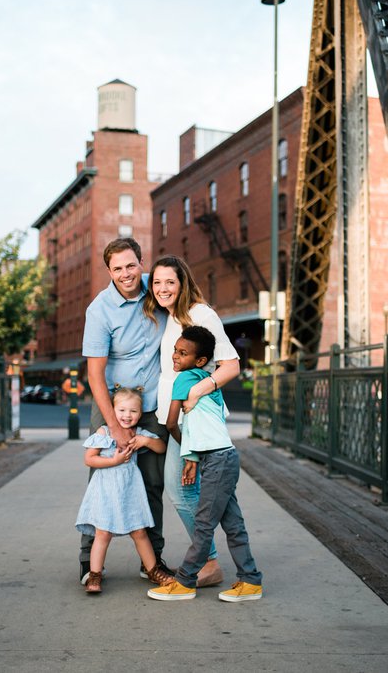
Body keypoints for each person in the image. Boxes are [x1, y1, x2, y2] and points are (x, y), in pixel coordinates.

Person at [142, 255, 240, 588]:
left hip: (196, 419)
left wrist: (197, 391)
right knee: (200, 491)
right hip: (180, 419)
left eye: (170, 282)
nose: (162, 288)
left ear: (182, 283)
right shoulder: (170, 317)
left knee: (182, 490)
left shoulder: (201, 314)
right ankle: (219, 561)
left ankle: (209, 562)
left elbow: (231, 365)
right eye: (157, 282)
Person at [148, 326, 263, 603]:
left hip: (216, 460)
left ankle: (185, 581)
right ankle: (250, 580)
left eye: (182, 353)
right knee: (233, 524)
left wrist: (187, 451)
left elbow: (173, 423)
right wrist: (193, 457)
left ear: (200, 360)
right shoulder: (210, 382)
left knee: (203, 525)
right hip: (226, 456)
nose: (175, 356)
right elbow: (206, 425)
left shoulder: (183, 379)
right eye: (175, 350)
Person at [80, 238, 171, 582]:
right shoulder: (99, 310)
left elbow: (189, 306)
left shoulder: (158, 290)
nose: (125, 273)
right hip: (114, 405)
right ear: (108, 271)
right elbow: (94, 374)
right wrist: (114, 427)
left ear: (141, 263)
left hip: (153, 405)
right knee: (101, 481)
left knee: (152, 483)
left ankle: (153, 563)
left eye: (131, 265)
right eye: (117, 268)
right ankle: (89, 564)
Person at [75, 388, 175, 594]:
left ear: (141, 413)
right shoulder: (104, 432)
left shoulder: (138, 433)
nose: (127, 415)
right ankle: (95, 574)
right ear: (112, 410)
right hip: (106, 490)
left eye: (133, 411)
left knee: (139, 531)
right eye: (122, 410)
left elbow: (161, 448)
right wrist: (115, 460)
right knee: (103, 533)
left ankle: (153, 570)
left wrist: (146, 441)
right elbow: (89, 459)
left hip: (130, 490)